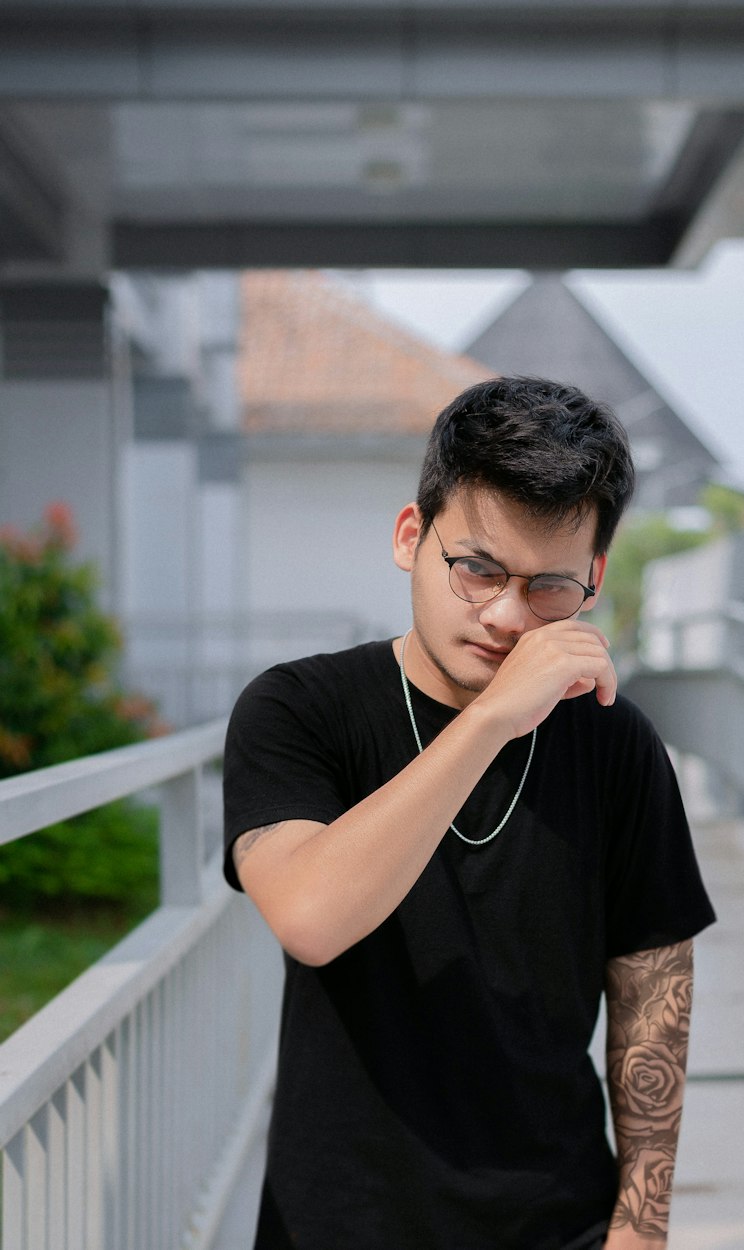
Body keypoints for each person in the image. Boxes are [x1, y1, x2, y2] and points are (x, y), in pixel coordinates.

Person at [223, 375, 716, 1250]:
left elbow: (653, 989)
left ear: (595, 579)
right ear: (412, 537)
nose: (504, 616)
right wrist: (492, 719)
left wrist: (642, 1229)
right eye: (478, 569)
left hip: (556, 1221)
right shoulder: (301, 709)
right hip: (340, 1223)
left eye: (550, 589)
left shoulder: (615, 744)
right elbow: (310, 916)